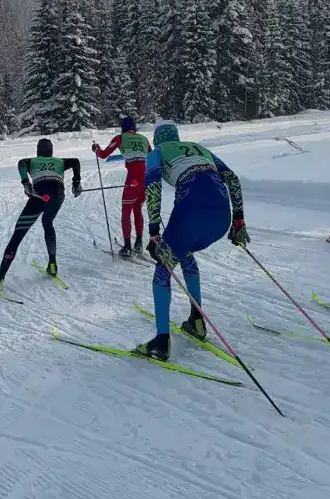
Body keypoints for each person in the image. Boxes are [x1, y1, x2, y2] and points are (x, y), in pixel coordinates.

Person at [135, 121, 249, 361]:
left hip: (190, 211)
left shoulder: (158, 152)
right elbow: (232, 178)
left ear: (157, 140)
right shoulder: (199, 148)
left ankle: (161, 343)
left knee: (163, 269)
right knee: (183, 251)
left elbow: (152, 186)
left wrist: (154, 231)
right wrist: (239, 220)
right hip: (222, 217)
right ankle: (197, 322)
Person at [0, 138, 82, 291]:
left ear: (38, 151)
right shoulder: (60, 161)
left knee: (17, 236)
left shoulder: (32, 161)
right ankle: (52, 264)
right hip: (57, 196)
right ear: (51, 152)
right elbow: (76, 161)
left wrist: (25, 182)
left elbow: (21, 163)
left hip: (40, 195)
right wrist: (76, 183)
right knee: (48, 223)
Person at [92, 117, 151, 257]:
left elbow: (103, 154)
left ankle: (127, 247)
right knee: (138, 208)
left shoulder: (120, 138)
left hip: (133, 178)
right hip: (146, 177)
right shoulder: (144, 139)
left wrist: (96, 149)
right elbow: (151, 155)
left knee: (126, 210)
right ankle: (139, 243)